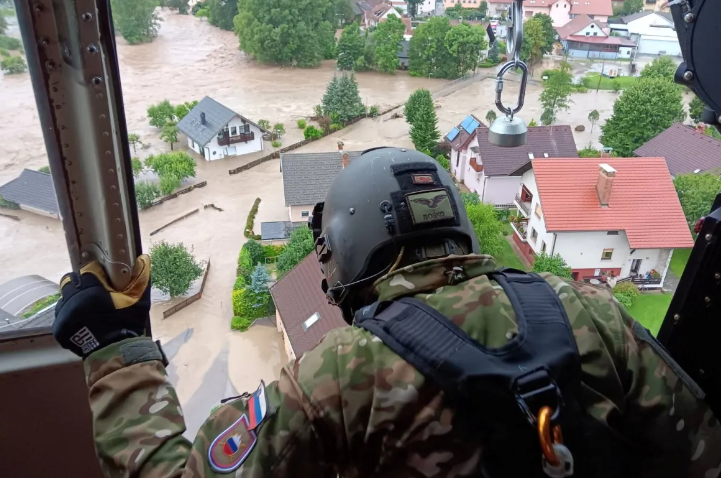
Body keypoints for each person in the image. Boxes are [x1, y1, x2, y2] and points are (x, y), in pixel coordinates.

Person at [52, 148, 721, 478]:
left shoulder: (338, 375)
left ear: (343, 250)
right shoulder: (588, 309)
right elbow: (701, 450)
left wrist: (116, 350)